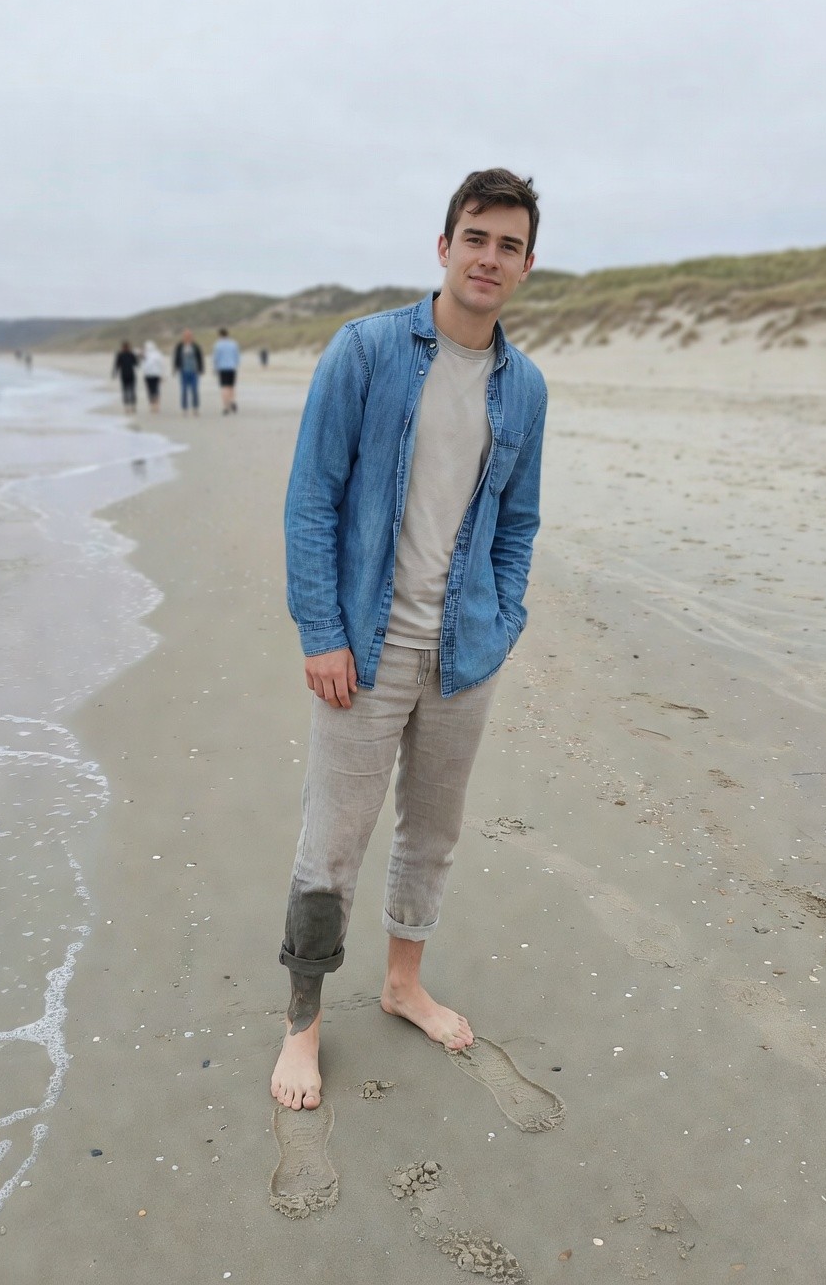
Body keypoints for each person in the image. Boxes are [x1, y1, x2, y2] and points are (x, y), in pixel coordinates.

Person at [272, 168, 546, 1112]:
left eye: (509, 244)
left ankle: (401, 984)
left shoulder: (528, 387)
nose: (489, 257)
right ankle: (302, 1025)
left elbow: (517, 523)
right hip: (364, 649)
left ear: (526, 264)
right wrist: (323, 632)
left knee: (431, 837)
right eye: (476, 236)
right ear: (444, 245)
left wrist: (503, 622)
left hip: (463, 656)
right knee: (333, 844)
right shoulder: (366, 351)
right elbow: (312, 500)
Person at [172, 329, 204, 415]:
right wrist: (175, 368)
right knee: (184, 390)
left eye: (189, 335)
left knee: (194, 390)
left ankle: (195, 408)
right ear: (183, 337)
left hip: (194, 371)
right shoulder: (179, 346)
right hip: (183, 371)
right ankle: (184, 409)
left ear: (192, 336)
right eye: (186, 336)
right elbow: (176, 357)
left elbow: (200, 358)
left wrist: (201, 369)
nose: (188, 337)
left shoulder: (196, 346)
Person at [212, 327, 241, 414]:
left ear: (220, 335)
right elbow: (237, 356)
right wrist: (236, 364)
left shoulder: (217, 345)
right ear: (227, 334)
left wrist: (214, 368)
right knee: (231, 386)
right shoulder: (234, 344)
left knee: (224, 387)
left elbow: (215, 358)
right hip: (232, 367)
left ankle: (226, 407)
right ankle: (232, 401)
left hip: (222, 368)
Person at [112, 341, 139, 414]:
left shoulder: (120, 354)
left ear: (122, 347)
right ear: (129, 347)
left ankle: (126, 408)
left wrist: (114, 374)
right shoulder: (131, 354)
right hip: (131, 374)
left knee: (125, 391)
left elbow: (116, 365)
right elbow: (136, 364)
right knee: (132, 390)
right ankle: (133, 406)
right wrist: (137, 357)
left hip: (124, 375)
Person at [140, 340, 165, 413]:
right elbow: (161, 364)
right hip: (155, 374)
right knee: (155, 389)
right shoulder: (157, 354)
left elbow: (143, 366)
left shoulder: (146, 354)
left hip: (149, 375)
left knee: (150, 390)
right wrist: (162, 374)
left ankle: (153, 405)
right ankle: (156, 405)